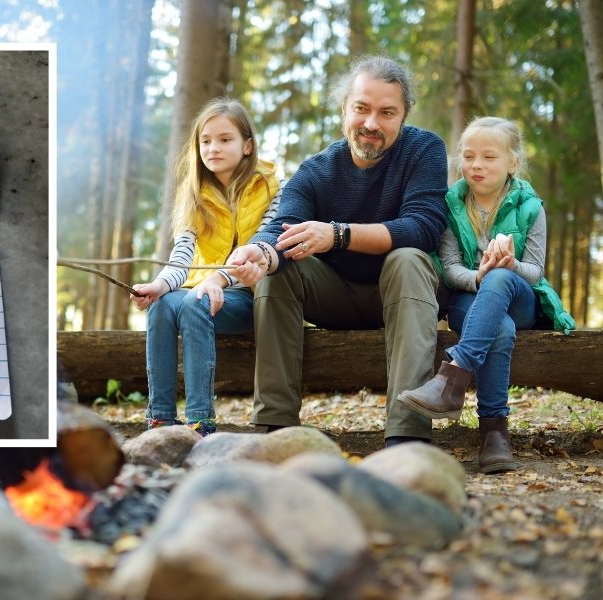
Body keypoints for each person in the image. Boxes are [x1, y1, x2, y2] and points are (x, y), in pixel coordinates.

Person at [229, 55, 448, 446]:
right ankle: (274, 428)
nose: (371, 124)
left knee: (409, 257)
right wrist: (260, 254)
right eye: (361, 109)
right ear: (344, 108)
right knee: (277, 268)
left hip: (403, 293)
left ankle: (407, 435)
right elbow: (281, 229)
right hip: (335, 295)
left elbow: (424, 227)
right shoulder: (317, 170)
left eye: (387, 113)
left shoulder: (423, 150)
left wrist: (339, 234)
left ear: (403, 116)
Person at [397, 116, 575, 473]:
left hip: (520, 297)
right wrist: (479, 276)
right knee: (501, 329)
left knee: (501, 279)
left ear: (512, 162)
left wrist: (507, 266)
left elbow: (535, 271)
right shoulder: (450, 205)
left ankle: (453, 377)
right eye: (469, 156)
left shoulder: (530, 207)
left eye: (489, 157)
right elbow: (449, 267)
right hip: (469, 298)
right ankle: (495, 434)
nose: (476, 165)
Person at [131, 97, 280, 436]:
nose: (213, 148)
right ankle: (160, 418)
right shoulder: (195, 192)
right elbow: (183, 252)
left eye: (225, 139)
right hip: (202, 292)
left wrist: (217, 279)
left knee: (194, 301)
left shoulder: (271, 188)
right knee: (162, 306)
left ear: (247, 145)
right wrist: (159, 285)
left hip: (252, 295)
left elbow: (257, 250)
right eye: (206, 141)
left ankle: (201, 422)